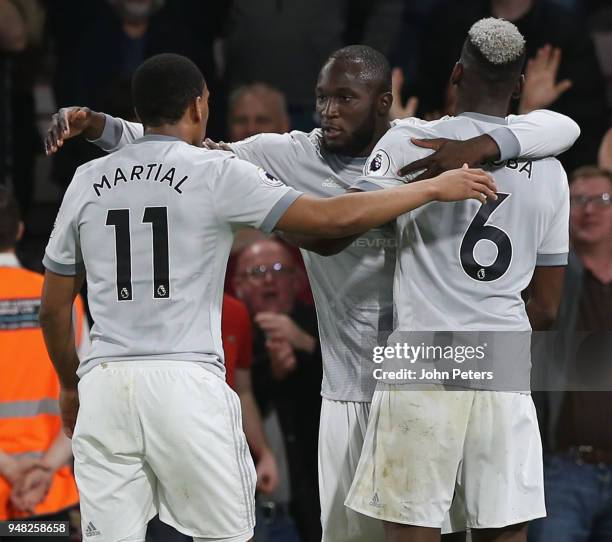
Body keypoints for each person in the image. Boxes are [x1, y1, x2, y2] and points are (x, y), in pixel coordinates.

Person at [44, 44, 580, 542]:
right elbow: (179, 150)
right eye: (322, 97)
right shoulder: (286, 155)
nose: (328, 110)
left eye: (345, 98)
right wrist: (101, 128)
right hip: (350, 391)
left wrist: (494, 138)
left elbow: (557, 129)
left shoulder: (426, 145)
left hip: (432, 377)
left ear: (385, 102)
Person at [345, 18, 571, 542]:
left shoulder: (411, 142)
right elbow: (550, 307)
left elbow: (346, 220)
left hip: (422, 354)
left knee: (412, 531)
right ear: (518, 85)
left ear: (455, 74)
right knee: (503, 531)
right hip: (503, 358)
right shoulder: (552, 168)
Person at [529, 166, 612, 542]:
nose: (589, 210)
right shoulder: (548, 280)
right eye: (578, 201)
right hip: (562, 469)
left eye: (602, 200)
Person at [0, 188, 88, 539]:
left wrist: (8, 467)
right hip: (47, 498)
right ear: (19, 231)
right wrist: (47, 467)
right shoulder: (63, 303)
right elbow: (89, 399)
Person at [234, 239, 323, 542]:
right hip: (254, 499)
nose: (269, 279)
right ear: (239, 285)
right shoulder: (228, 334)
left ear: (298, 280)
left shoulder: (323, 323)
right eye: (257, 271)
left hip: (318, 490)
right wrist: (268, 372)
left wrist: (306, 344)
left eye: (278, 269)